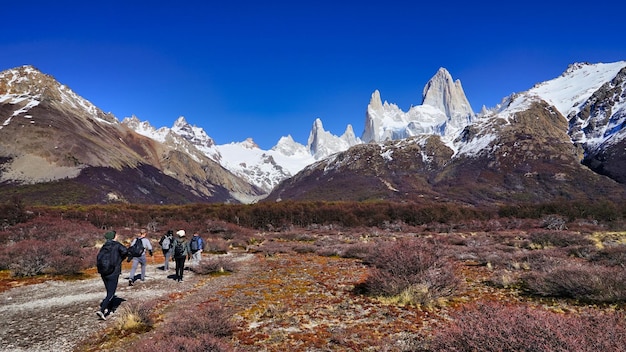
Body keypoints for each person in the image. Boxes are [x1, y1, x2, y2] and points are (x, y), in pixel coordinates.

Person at [96, 230, 128, 320]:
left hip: (103, 272)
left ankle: (109, 307)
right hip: (113, 272)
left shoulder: (104, 246)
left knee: (108, 291)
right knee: (111, 293)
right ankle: (102, 311)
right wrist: (121, 258)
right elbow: (125, 251)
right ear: (114, 237)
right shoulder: (117, 245)